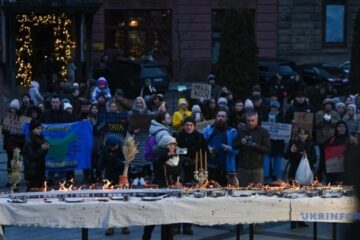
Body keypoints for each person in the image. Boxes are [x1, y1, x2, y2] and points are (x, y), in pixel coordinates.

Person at [232, 110, 270, 233]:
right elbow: (234, 145)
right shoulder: (241, 131)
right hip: (243, 167)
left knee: (257, 196)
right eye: (248, 121)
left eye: (252, 120)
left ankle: (257, 223)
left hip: (257, 168)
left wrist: (254, 145)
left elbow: (268, 149)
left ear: (257, 119)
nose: (250, 123)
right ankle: (240, 222)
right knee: (241, 195)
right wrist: (241, 143)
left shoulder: (263, 132)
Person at [142, 135, 181, 240]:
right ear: (164, 146)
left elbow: (179, 172)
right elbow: (157, 166)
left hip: (171, 189)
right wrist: (167, 155)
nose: (172, 147)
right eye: (170, 144)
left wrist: (178, 181)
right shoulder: (159, 155)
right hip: (159, 188)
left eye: (174, 144)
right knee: (153, 216)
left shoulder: (177, 157)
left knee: (169, 218)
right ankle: (146, 236)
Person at [100, 134, 130, 236]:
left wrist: (116, 161)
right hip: (109, 179)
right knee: (110, 203)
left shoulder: (122, 150)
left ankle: (124, 225)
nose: (114, 148)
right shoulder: (105, 150)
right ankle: (110, 226)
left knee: (122, 202)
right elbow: (100, 164)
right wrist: (106, 160)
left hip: (121, 178)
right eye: (112, 146)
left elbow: (126, 164)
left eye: (116, 146)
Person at [203, 109, 238, 186]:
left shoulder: (232, 132)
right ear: (216, 117)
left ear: (227, 118)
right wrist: (207, 148)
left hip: (225, 168)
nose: (220, 118)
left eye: (223, 116)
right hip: (209, 167)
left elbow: (237, 151)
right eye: (219, 116)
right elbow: (201, 145)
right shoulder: (208, 130)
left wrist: (229, 148)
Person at [1, 99, 26, 186]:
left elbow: (24, 131)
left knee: (16, 162)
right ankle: (10, 179)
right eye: (12, 108)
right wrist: (9, 131)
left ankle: (16, 180)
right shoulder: (6, 117)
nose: (13, 110)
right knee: (9, 161)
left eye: (14, 109)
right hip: (9, 143)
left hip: (17, 143)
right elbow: (3, 130)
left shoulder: (21, 119)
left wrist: (18, 133)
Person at [315, 98, 340, 181]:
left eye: (330, 104)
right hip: (322, 139)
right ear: (324, 105)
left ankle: (329, 177)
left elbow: (339, 124)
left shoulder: (335, 114)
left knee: (330, 158)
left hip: (332, 139)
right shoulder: (319, 113)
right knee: (322, 158)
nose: (328, 106)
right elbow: (316, 124)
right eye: (326, 104)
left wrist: (330, 120)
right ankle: (319, 176)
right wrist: (323, 120)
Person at [23, 119, 49, 191]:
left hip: (40, 169)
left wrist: (46, 148)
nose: (40, 130)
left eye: (40, 128)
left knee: (40, 190)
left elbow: (44, 153)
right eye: (37, 128)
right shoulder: (29, 140)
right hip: (32, 171)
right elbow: (31, 156)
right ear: (32, 129)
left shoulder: (41, 138)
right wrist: (42, 149)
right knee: (32, 191)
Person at [263, 101, 285, 180]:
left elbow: (285, 130)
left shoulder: (282, 118)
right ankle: (265, 176)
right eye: (272, 107)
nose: (273, 109)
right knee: (266, 157)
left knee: (277, 159)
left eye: (275, 107)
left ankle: (277, 176)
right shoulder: (265, 117)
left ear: (278, 108)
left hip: (278, 142)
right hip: (267, 141)